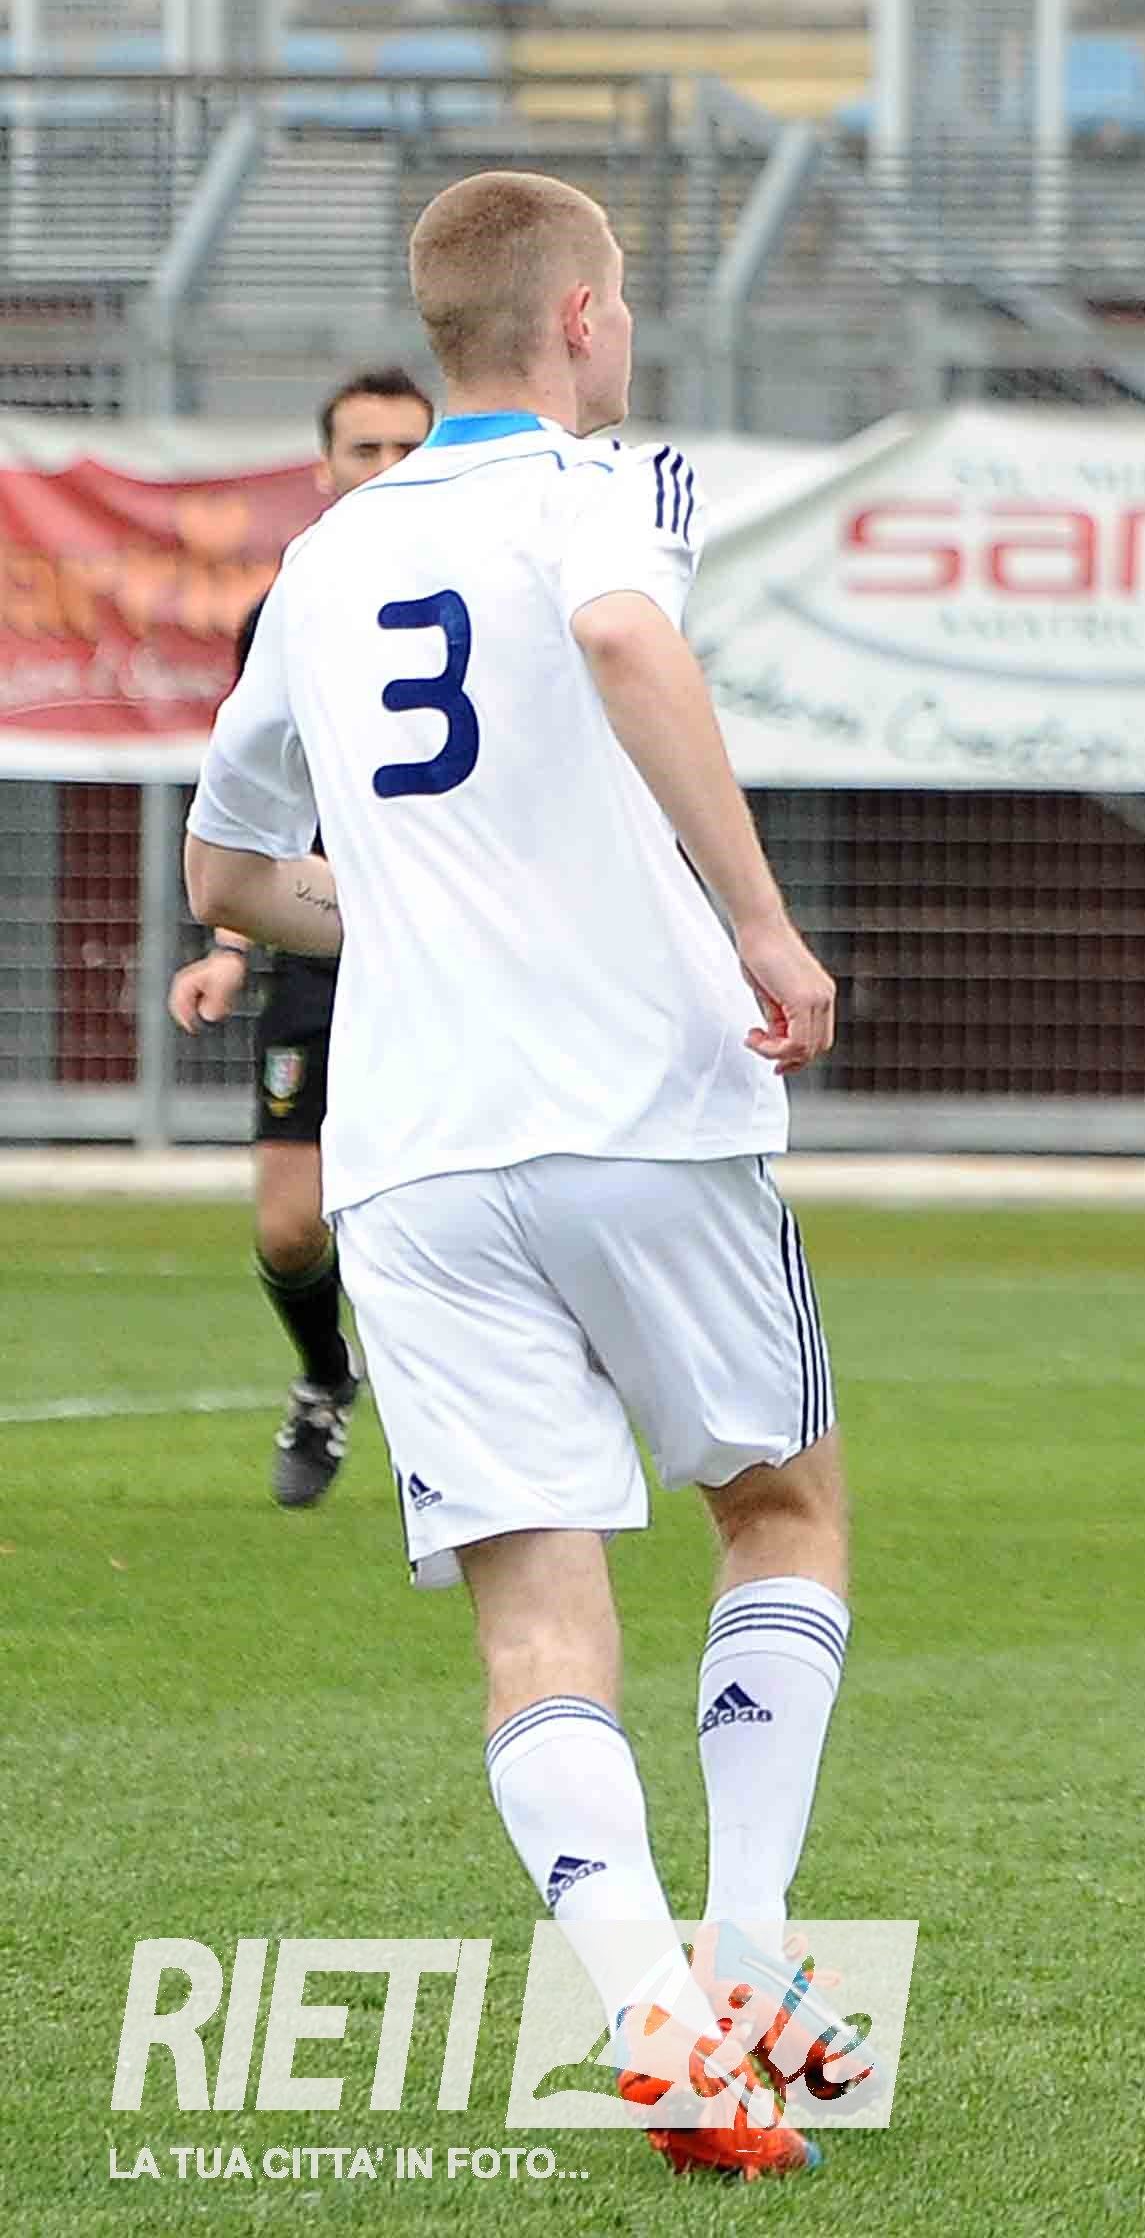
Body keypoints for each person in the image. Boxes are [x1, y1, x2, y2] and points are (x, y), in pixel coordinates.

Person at [181, 172, 854, 2182]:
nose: (626, 330)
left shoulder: (323, 558)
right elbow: (625, 634)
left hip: (413, 1153)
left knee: (535, 1621)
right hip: (643, 1103)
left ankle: (654, 2027)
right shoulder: (613, 484)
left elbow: (227, 872)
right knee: (782, 1508)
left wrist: (389, 911)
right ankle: (746, 1965)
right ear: (577, 320)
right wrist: (761, 921)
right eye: (620, 300)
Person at [168, 364, 435, 1508]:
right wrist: (230, 946)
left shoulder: (495, 588)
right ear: (324, 468)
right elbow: (252, 796)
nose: (385, 469)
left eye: (406, 448)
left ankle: (467, 1435)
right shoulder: (294, 606)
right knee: (288, 1231)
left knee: (442, 1215)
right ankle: (326, 1379)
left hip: (455, 953)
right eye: (363, 450)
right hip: (324, 942)